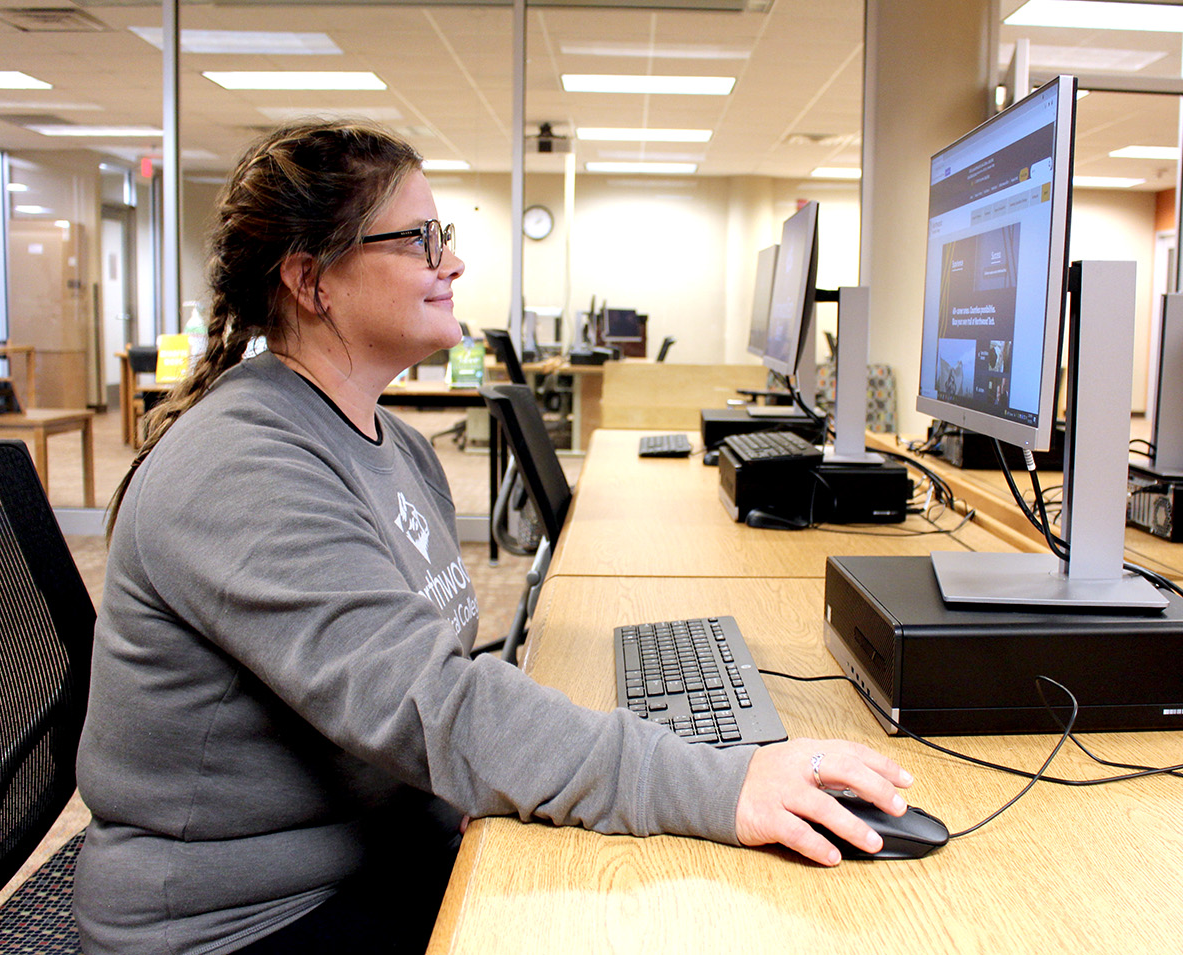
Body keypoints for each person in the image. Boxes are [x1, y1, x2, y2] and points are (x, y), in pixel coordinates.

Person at [74, 120, 914, 955]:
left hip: (384, 848)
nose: (453, 263)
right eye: (421, 240)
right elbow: (433, 706)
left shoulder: (395, 448)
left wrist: (520, 766)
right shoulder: (239, 464)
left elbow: (438, 685)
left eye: (447, 236)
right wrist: (722, 782)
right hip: (242, 919)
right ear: (311, 280)